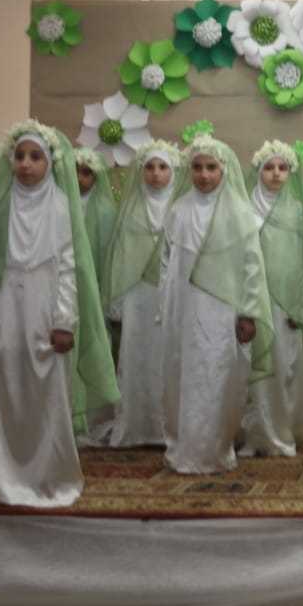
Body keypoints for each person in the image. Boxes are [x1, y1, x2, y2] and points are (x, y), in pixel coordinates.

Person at [0, 120, 119, 507]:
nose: (26, 164)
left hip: (45, 309)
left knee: (44, 390)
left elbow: (67, 268)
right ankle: (3, 477)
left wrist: (64, 321)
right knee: (5, 386)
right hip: (4, 308)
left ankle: (48, 476)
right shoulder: (0, 205)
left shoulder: (61, 205)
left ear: (50, 162)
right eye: (19, 156)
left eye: (35, 156)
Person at [159, 134, 273, 474]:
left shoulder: (239, 212)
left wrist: (248, 313)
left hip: (223, 311)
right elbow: (167, 262)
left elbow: (251, 267)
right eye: (197, 167)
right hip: (182, 309)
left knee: (217, 374)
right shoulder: (178, 210)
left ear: (224, 170)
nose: (204, 175)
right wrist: (165, 304)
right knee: (183, 374)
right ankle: (184, 446)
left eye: (211, 167)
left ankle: (215, 449)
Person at [240, 140, 303, 458]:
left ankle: (283, 432)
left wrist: (302, 305)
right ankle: (254, 434)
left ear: (290, 173)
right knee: (251, 366)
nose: (275, 174)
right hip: (251, 302)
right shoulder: (243, 209)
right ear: (258, 171)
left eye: (282, 168)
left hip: (285, 305)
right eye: (269, 168)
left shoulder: (297, 211)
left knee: (283, 366)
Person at [99, 140, 181, 448]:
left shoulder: (180, 208)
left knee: (167, 356)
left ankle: (168, 425)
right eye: (150, 167)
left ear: (174, 171)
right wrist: (118, 302)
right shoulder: (131, 208)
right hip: (137, 295)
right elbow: (121, 256)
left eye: (163, 167)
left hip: (169, 293)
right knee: (137, 354)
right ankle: (137, 424)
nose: (156, 174)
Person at [75, 147, 118, 282]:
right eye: (75, 171)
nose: (78, 178)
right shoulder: (63, 201)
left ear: (96, 176)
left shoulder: (104, 208)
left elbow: (105, 251)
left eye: (86, 173)